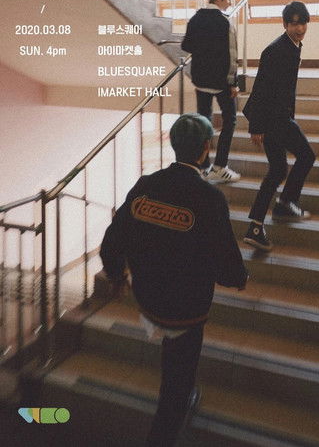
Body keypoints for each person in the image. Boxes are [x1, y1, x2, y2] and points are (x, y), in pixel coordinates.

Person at [100, 113, 248, 446]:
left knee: (172, 348)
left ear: (172, 143)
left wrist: (116, 273)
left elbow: (113, 238)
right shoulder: (209, 198)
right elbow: (226, 256)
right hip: (186, 308)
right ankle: (165, 430)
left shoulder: (146, 185)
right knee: (179, 377)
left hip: (148, 298)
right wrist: (238, 278)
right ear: (206, 148)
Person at [242, 1, 316, 251]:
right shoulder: (276, 50)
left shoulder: (292, 46)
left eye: (302, 23)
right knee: (306, 156)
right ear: (285, 25)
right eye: (293, 24)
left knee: (277, 170)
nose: (299, 28)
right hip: (275, 119)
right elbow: (261, 89)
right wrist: (256, 126)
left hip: (277, 116)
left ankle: (257, 225)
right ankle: (284, 204)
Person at [181, 0, 240, 183]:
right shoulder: (225, 22)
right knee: (230, 120)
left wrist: (203, 49)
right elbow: (232, 56)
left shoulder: (195, 18)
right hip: (221, 82)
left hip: (200, 80)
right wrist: (233, 83)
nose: (230, 3)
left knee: (203, 123)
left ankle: (204, 166)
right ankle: (220, 166)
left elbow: (186, 45)